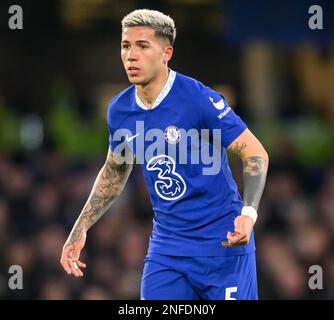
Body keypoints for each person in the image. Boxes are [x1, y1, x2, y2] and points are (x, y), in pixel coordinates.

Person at [60, 9, 269, 300]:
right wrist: (80, 228)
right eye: (125, 46)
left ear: (166, 53)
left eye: (143, 46)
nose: (131, 55)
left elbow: (255, 153)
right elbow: (114, 173)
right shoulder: (120, 111)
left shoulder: (199, 99)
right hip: (168, 249)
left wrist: (248, 214)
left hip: (222, 243)